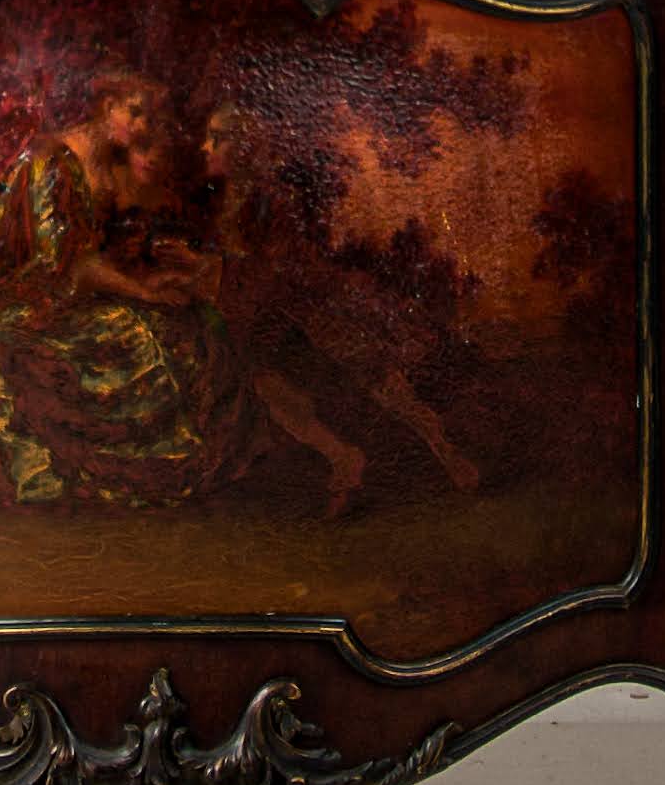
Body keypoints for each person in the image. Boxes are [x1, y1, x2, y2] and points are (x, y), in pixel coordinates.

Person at [0, 72, 248, 508]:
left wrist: (153, 276)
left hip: (66, 288)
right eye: (135, 113)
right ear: (107, 107)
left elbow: (102, 250)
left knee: (174, 327)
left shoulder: (109, 161)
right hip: (19, 295)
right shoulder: (52, 162)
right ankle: (81, 473)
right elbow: (62, 265)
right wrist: (143, 292)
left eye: (150, 118)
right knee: (124, 334)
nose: (144, 128)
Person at [195, 91, 481, 496]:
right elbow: (236, 266)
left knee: (379, 379)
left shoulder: (267, 200)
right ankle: (343, 459)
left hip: (307, 305)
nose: (205, 147)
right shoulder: (225, 200)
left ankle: (447, 452)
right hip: (265, 313)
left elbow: (281, 265)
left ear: (241, 148)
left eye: (216, 138)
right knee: (265, 384)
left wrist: (238, 288)